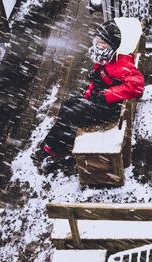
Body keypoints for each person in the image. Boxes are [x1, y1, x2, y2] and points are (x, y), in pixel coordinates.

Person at [33, 19, 144, 171]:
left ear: (112, 44)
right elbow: (99, 79)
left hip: (109, 109)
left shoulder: (120, 64)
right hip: (100, 101)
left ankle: (53, 148)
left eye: (101, 43)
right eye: (96, 42)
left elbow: (137, 86)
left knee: (71, 114)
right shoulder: (109, 57)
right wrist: (89, 93)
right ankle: (59, 143)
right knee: (68, 105)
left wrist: (106, 95)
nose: (97, 46)